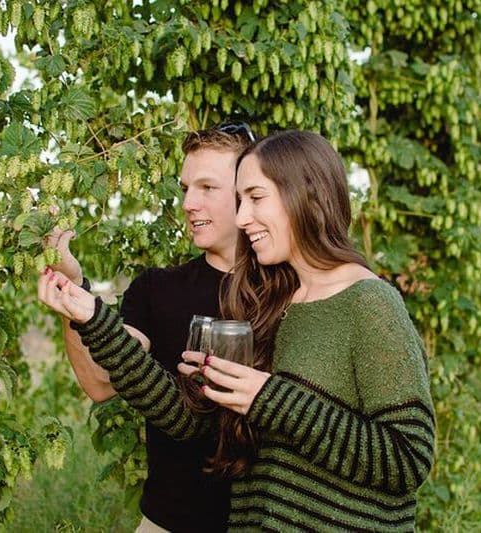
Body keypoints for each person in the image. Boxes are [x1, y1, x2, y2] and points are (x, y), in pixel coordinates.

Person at [42, 130, 435, 532]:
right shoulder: (275, 302)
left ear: (307, 195)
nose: (243, 217)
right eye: (241, 200)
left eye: (255, 198)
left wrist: (268, 398)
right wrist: (92, 318)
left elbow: (408, 458)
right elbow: (191, 422)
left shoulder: (369, 303)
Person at [38, 123, 256, 533]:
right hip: (169, 520)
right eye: (186, 187)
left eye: (207, 188)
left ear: (247, 195)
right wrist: (75, 296)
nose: (189, 202)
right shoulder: (159, 288)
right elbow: (101, 382)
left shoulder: (289, 289)